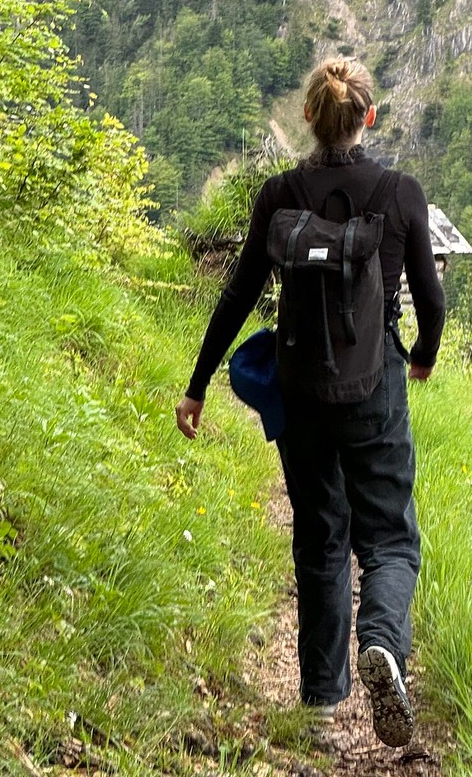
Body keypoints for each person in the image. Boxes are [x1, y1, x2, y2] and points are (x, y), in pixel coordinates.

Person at [175, 57, 445, 748]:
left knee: (320, 537)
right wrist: (420, 357)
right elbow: (432, 299)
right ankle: (382, 644)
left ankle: (322, 707)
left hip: (300, 389)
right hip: (373, 385)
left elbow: (237, 295)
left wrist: (199, 384)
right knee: (388, 536)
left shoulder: (278, 195)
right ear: (369, 118)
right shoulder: (398, 193)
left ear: (309, 117)